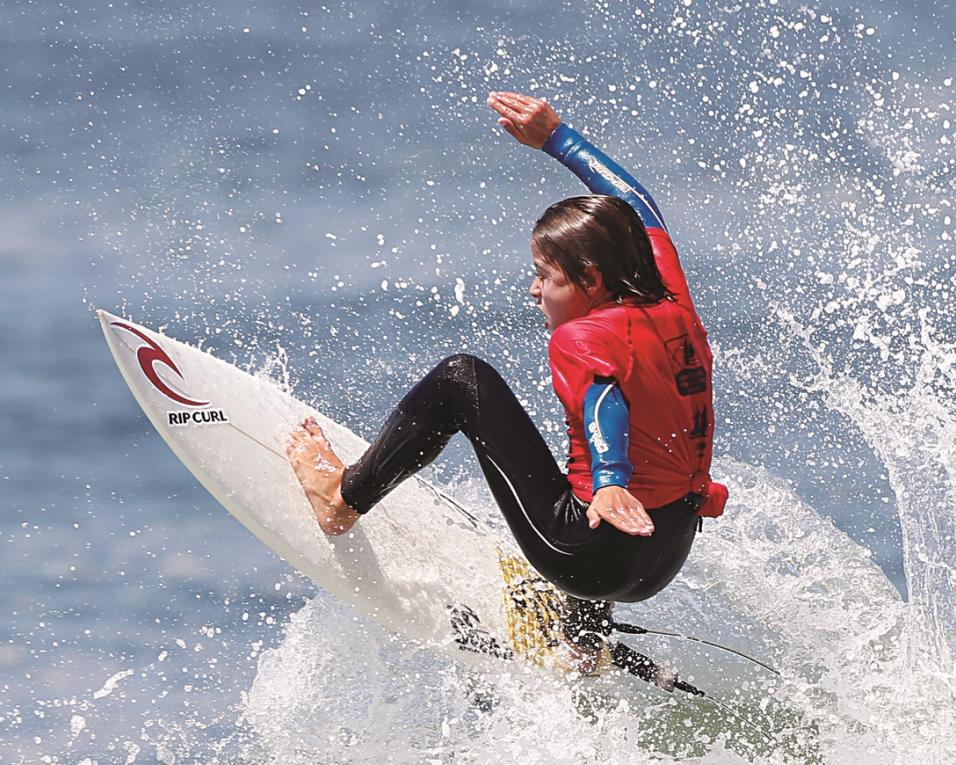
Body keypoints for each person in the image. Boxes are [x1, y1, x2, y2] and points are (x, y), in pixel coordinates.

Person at [286, 90, 727, 654]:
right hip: (665, 550)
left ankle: (341, 498)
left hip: (589, 553)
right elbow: (636, 205)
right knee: (584, 465)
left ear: (591, 281)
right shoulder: (671, 299)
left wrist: (613, 482)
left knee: (460, 380)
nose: (535, 290)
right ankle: (582, 639)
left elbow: (603, 399)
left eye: (546, 276)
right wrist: (556, 137)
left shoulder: (582, 336)